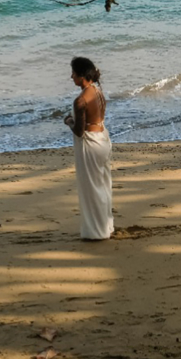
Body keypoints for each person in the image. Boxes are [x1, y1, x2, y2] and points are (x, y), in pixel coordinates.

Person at [63, 56, 114, 240]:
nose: (71, 77)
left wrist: (68, 121)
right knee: (103, 184)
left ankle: (96, 232)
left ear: (81, 75)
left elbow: (78, 131)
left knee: (91, 188)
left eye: (73, 73)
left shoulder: (81, 100)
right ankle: (106, 226)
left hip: (90, 144)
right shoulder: (98, 91)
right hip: (103, 138)